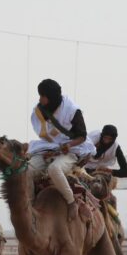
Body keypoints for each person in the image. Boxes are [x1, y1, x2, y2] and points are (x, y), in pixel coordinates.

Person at [27, 79, 94, 220]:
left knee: (54, 169)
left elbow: (82, 136)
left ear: (50, 96)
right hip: (48, 147)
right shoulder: (40, 111)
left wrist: (68, 146)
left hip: (71, 149)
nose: (40, 99)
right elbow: (45, 135)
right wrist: (52, 150)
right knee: (26, 170)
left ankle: (71, 203)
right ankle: (31, 207)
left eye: (42, 95)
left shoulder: (72, 110)